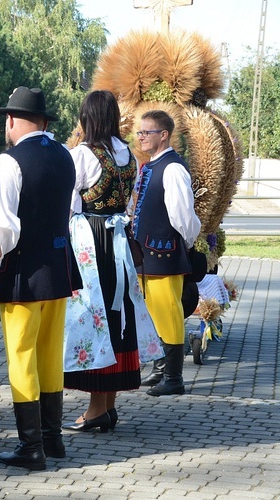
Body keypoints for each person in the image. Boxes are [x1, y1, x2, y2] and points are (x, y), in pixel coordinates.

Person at [0, 87, 81, 471]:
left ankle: (31, 446)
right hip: (58, 266)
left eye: (6, 117)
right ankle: (52, 439)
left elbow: (1, 227)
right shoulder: (65, 155)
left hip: (23, 270)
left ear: (12, 119)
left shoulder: (9, 161)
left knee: (21, 356)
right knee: (50, 353)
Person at [61, 90, 144, 432]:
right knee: (116, 313)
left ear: (87, 117)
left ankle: (96, 410)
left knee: (96, 317)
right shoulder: (128, 155)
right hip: (118, 241)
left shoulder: (83, 154)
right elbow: (128, 203)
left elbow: (71, 204)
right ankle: (108, 406)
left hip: (91, 241)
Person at [131, 109, 201, 397]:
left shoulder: (172, 168)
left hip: (164, 254)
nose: (141, 137)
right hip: (147, 256)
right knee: (153, 314)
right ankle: (161, 369)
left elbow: (184, 217)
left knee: (169, 314)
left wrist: (183, 245)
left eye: (146, 132)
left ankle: (174, 378)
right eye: (139, 132)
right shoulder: (152, 166)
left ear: (164, 135)